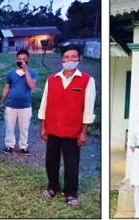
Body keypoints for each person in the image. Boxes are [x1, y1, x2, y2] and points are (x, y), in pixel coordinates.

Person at [38, 45, 96, 206]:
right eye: (66, 57)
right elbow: (44, 103)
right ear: (61, 59)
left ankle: (71, 192)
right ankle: (52, 186)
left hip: (72, 130)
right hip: (53, 128)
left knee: (71, 163)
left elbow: (88, 109)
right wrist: (43, 126)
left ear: (79, 58)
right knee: (51, 161)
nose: (69, 60)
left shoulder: (86, 80)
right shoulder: (52, 79)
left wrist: (84, 131)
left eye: (73, 57)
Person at [1, 49, 38, 155]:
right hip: (11, 105)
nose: (21, 61)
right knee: (9, 127)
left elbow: (31, 85)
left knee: (24, 127)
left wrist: (25, 70)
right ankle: (9, 145)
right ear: (16, 60)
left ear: (28, 60)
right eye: (19, 59)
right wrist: (2, 102)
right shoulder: (10, 73)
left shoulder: (32, 73)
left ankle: (23, 146)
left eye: (24, 59)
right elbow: (6, 88)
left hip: (25, 106)